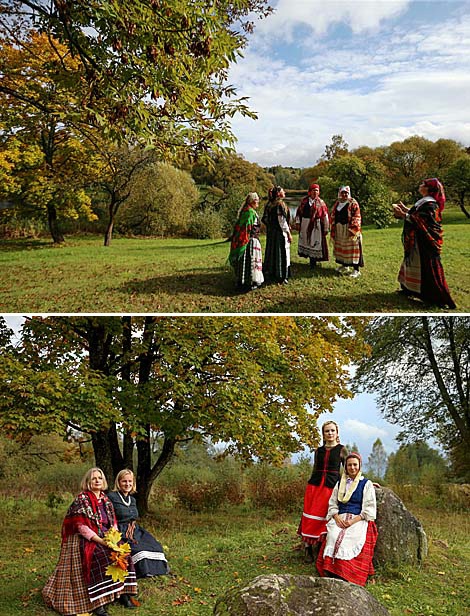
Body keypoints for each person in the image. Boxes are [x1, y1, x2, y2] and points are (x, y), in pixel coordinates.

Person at [43, 467, 138, 616]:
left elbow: (112, 522)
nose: (97, 481)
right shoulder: (82, 499)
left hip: (105, 536)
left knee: (124, 554)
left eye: (100, 478)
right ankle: (98, 604)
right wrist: (102, 541)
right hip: (87, 538)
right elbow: (81, 527)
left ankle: (123, 594)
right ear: (88, 481)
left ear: (104, 481)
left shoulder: (105, 500)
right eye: (94, 478)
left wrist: (113, 539)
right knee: (100, 557)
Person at [392, 177, 456, 309]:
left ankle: (437, 298)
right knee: (413, 263)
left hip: (426, 242)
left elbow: (424, 222)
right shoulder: (425, 202)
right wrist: (406, 209)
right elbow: (418, 215)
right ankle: (409, 289)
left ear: (428, 188)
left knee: (427, 267)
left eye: (423, 184)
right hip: (417, 241)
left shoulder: (430, 204)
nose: (420, 185)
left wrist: (403, 214)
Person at [316, 452, 378, 586]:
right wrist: (337, 518)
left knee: (351, 538)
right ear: (345, 467)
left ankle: (347, 573)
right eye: (349, 465)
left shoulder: (366, 484)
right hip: (340, 517)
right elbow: (333, 503)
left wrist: (352, 521)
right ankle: (331, 570)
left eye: (355, 464)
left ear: (359, 466)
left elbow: (369, 508)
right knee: (333, 535)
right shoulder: (340, 483)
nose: (352, 467)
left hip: (358, 518)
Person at [298, 421, 347, 563]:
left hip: (331, 487)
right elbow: (315, 469)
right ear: (323, 434)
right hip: (314, 486)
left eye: (332, 431)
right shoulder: (318, 451)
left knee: (325, 516)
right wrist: (310, 485)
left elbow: (349, 469)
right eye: (327, 431)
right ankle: (308, 548)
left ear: (337, 433)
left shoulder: (342, 450)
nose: (330, 433)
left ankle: (320, 546)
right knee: (310, 516)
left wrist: (363, 482)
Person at [108, 469, 170, 578]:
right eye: (124, 481)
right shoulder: (112, 497)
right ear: (118, 482)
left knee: (155, 545)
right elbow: (109, 518)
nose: (127, 484)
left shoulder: (132, 499)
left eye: (130, 481)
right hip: (120, 531)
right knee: (138, 549)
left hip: (135, 529)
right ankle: (144, 571)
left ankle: (158, 569)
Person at [228, 192, 264, 291]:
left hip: (249, 240)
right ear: (252, 201)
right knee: (250, 261)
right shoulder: (250, 212)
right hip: (250, 241)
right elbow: (246, 229)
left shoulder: (246, 210)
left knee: (245, 261)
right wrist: (245, 240)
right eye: (257, 200)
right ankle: (250, 282)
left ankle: (243, 281)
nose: (258, 202)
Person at [330, 186, 364, 278]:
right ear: (340, 193)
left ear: (349, 193)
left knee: (352, 249)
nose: (344, 195)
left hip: (349, 229)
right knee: (342, 248)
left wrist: (353, 230)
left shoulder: (353, 203)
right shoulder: (337, 203)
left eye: (346, 193)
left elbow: (357, 216)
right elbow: (333, 215)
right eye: (342, 193)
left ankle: (356, 270)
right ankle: (345, 266)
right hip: (339, 229)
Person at [261, 185, 292, 284]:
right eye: (283, 191)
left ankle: (272, 272)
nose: (285, 193)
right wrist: (288, 233)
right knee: (281, 252)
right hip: (279, 233)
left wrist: (270, 226)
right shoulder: (279, 204)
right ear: (278, 193)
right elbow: (282, 221)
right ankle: (282, 275)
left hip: (272, 232)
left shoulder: (270, 204)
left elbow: (265, 219)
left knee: (272, 252)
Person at [295, 183, 330, 268]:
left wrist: (326, 227)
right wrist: (298, 223)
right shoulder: (304, 201)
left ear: (319, 192)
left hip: (316, 225)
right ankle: (310, 259)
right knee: (307, 241)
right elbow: (299, 213)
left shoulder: (321, 203)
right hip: (305, 224)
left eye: (317, 191)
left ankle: (313, 261)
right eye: (313, 191)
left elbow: (325, 216)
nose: (315, 192)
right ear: (309, 192)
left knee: (314, 242)